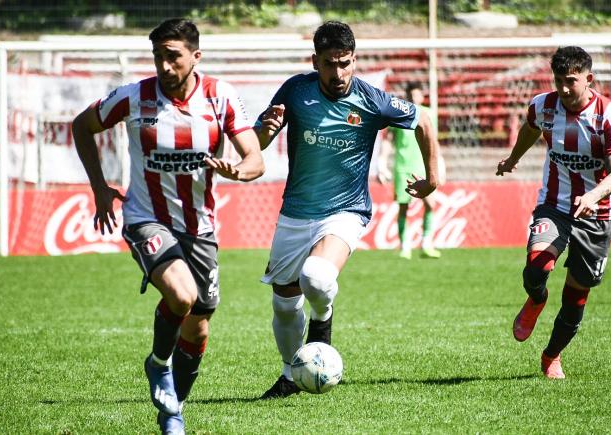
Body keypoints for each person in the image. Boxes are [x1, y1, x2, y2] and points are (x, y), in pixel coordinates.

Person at [72, 18, 264, 433]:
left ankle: (172, 413)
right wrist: (100, 188)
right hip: (146, 217)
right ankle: (158, 363)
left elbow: (255, 158)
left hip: (200, 227)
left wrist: (238, 170)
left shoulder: (220, 97)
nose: (163, 65)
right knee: (181, 296)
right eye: (158, 56)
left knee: (199, 323)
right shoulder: (134, 97)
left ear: (196, 57)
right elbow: (82, 126)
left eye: (172, 56)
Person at [254, 21, 438, 398]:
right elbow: (257, 139)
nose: (338, 73)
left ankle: (323, 317)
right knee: (284, 303)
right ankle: (292, 374)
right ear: (315, 61)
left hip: (346, 210)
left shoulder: (372, 100)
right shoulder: (295, 90)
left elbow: (425, 120)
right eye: (328, 64)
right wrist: (265, 132)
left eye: (345, 63)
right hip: (295, 212)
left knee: (317, 278)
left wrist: (433, 179)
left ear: (354, 59)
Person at [496, 46, 611, 379]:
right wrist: (513, 159)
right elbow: (529, 128)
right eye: (559, 81)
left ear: (588, 78)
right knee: (535, 267)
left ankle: (551, 355)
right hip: (555, 204)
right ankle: (536, 299)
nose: (564, 89)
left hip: (597, 213)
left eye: (571, 81)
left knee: (576, 296)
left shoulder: (609, 116)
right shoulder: (543, 106)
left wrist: (592, 196)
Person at [378, 81, 446, 259]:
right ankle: (405, 246)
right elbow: (389, 140)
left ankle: (426, 243)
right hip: (403, 166)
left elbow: (433, 140)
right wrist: (382, 161)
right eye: (411, 96)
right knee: (403, 206)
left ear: (421, 96)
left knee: (430, 204)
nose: (414, 98)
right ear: (407, 97)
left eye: (416, 95)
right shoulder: (400, 113)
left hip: (424, 165)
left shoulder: (429, 114)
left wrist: (440, 162)